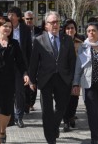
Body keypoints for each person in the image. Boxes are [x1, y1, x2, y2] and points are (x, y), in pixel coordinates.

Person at [28, 11, 76, 144]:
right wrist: (32, 79)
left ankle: (54, 127)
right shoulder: (38, 40)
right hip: (46, 79)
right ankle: (50, 139)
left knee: (61, 107)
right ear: (46, 25)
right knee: (46, 112)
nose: (55, 25)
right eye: (52, 22)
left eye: (57, 22)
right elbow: (33, 63)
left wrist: (73, 79)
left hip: (63, 78)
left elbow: (72, 61)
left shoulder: (67, 39)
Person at [7, 7, 32, 128]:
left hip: (20, 65)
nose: (10, 17)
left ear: (18, 16)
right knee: (8, 92)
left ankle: (19, 117)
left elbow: (29, 49)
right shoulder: (5, 28)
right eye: (8, 14)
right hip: (7, 65)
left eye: (12, 14)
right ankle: (9, 117)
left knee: (20, 93)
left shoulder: (25, 30)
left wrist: (28, 69)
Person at [61, 19, 83, 132]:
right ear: (64, 30)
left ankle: (71, 116)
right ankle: (66, 121)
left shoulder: (80, 42)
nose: (70, 30)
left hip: (76, 74)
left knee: (74, 98)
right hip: (64, 74)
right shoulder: (60, 41)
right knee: (65, 98)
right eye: (68, 28)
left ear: (75, 29)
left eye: (72, 28)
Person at [23, 10, 41, 111]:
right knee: (25, 81)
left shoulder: (39, 31)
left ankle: (31, 103)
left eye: (31, 19)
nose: (29, 20)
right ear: (24, 19)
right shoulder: (20, 30)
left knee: (34, 81)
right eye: (27, 19)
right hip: (24, 59)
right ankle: (25, 103)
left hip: (36, 60)